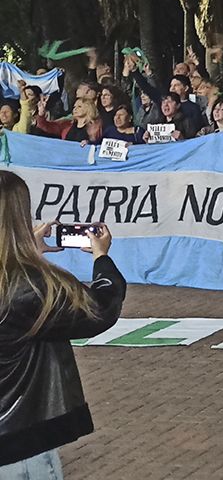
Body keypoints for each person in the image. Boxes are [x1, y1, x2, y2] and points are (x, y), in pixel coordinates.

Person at [0, 171, 126, 474]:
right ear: (20, 216)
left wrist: (27, 251)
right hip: (18, 440)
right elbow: (101, 308)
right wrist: (101, 258)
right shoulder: (31, 286)